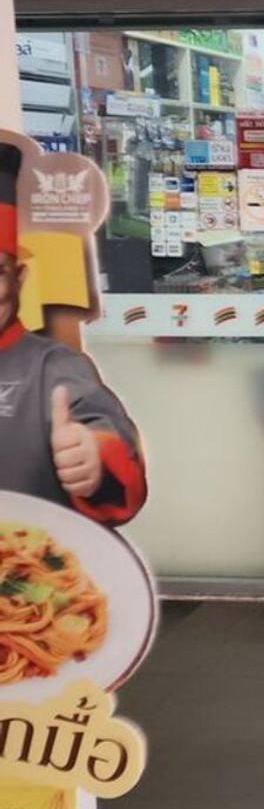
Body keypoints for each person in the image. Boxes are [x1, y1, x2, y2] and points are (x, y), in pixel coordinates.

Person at [0, 142, 147, 525]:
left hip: (28, 557)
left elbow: (106, 433)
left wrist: (94, 457)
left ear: (19, 279)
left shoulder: (53, 367)